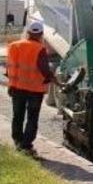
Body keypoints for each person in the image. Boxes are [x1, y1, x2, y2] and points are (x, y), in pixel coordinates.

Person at [5, 21, 59, 157]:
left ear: (28, 33)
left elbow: (9, 68)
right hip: (35, 90)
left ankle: (17, 141)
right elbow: (44, 70)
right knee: (32, 117)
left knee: (17, 116)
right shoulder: (39, 48)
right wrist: (55, 80)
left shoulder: (13, 46)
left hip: (17, 88)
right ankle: (26, 146)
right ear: (40, 34)